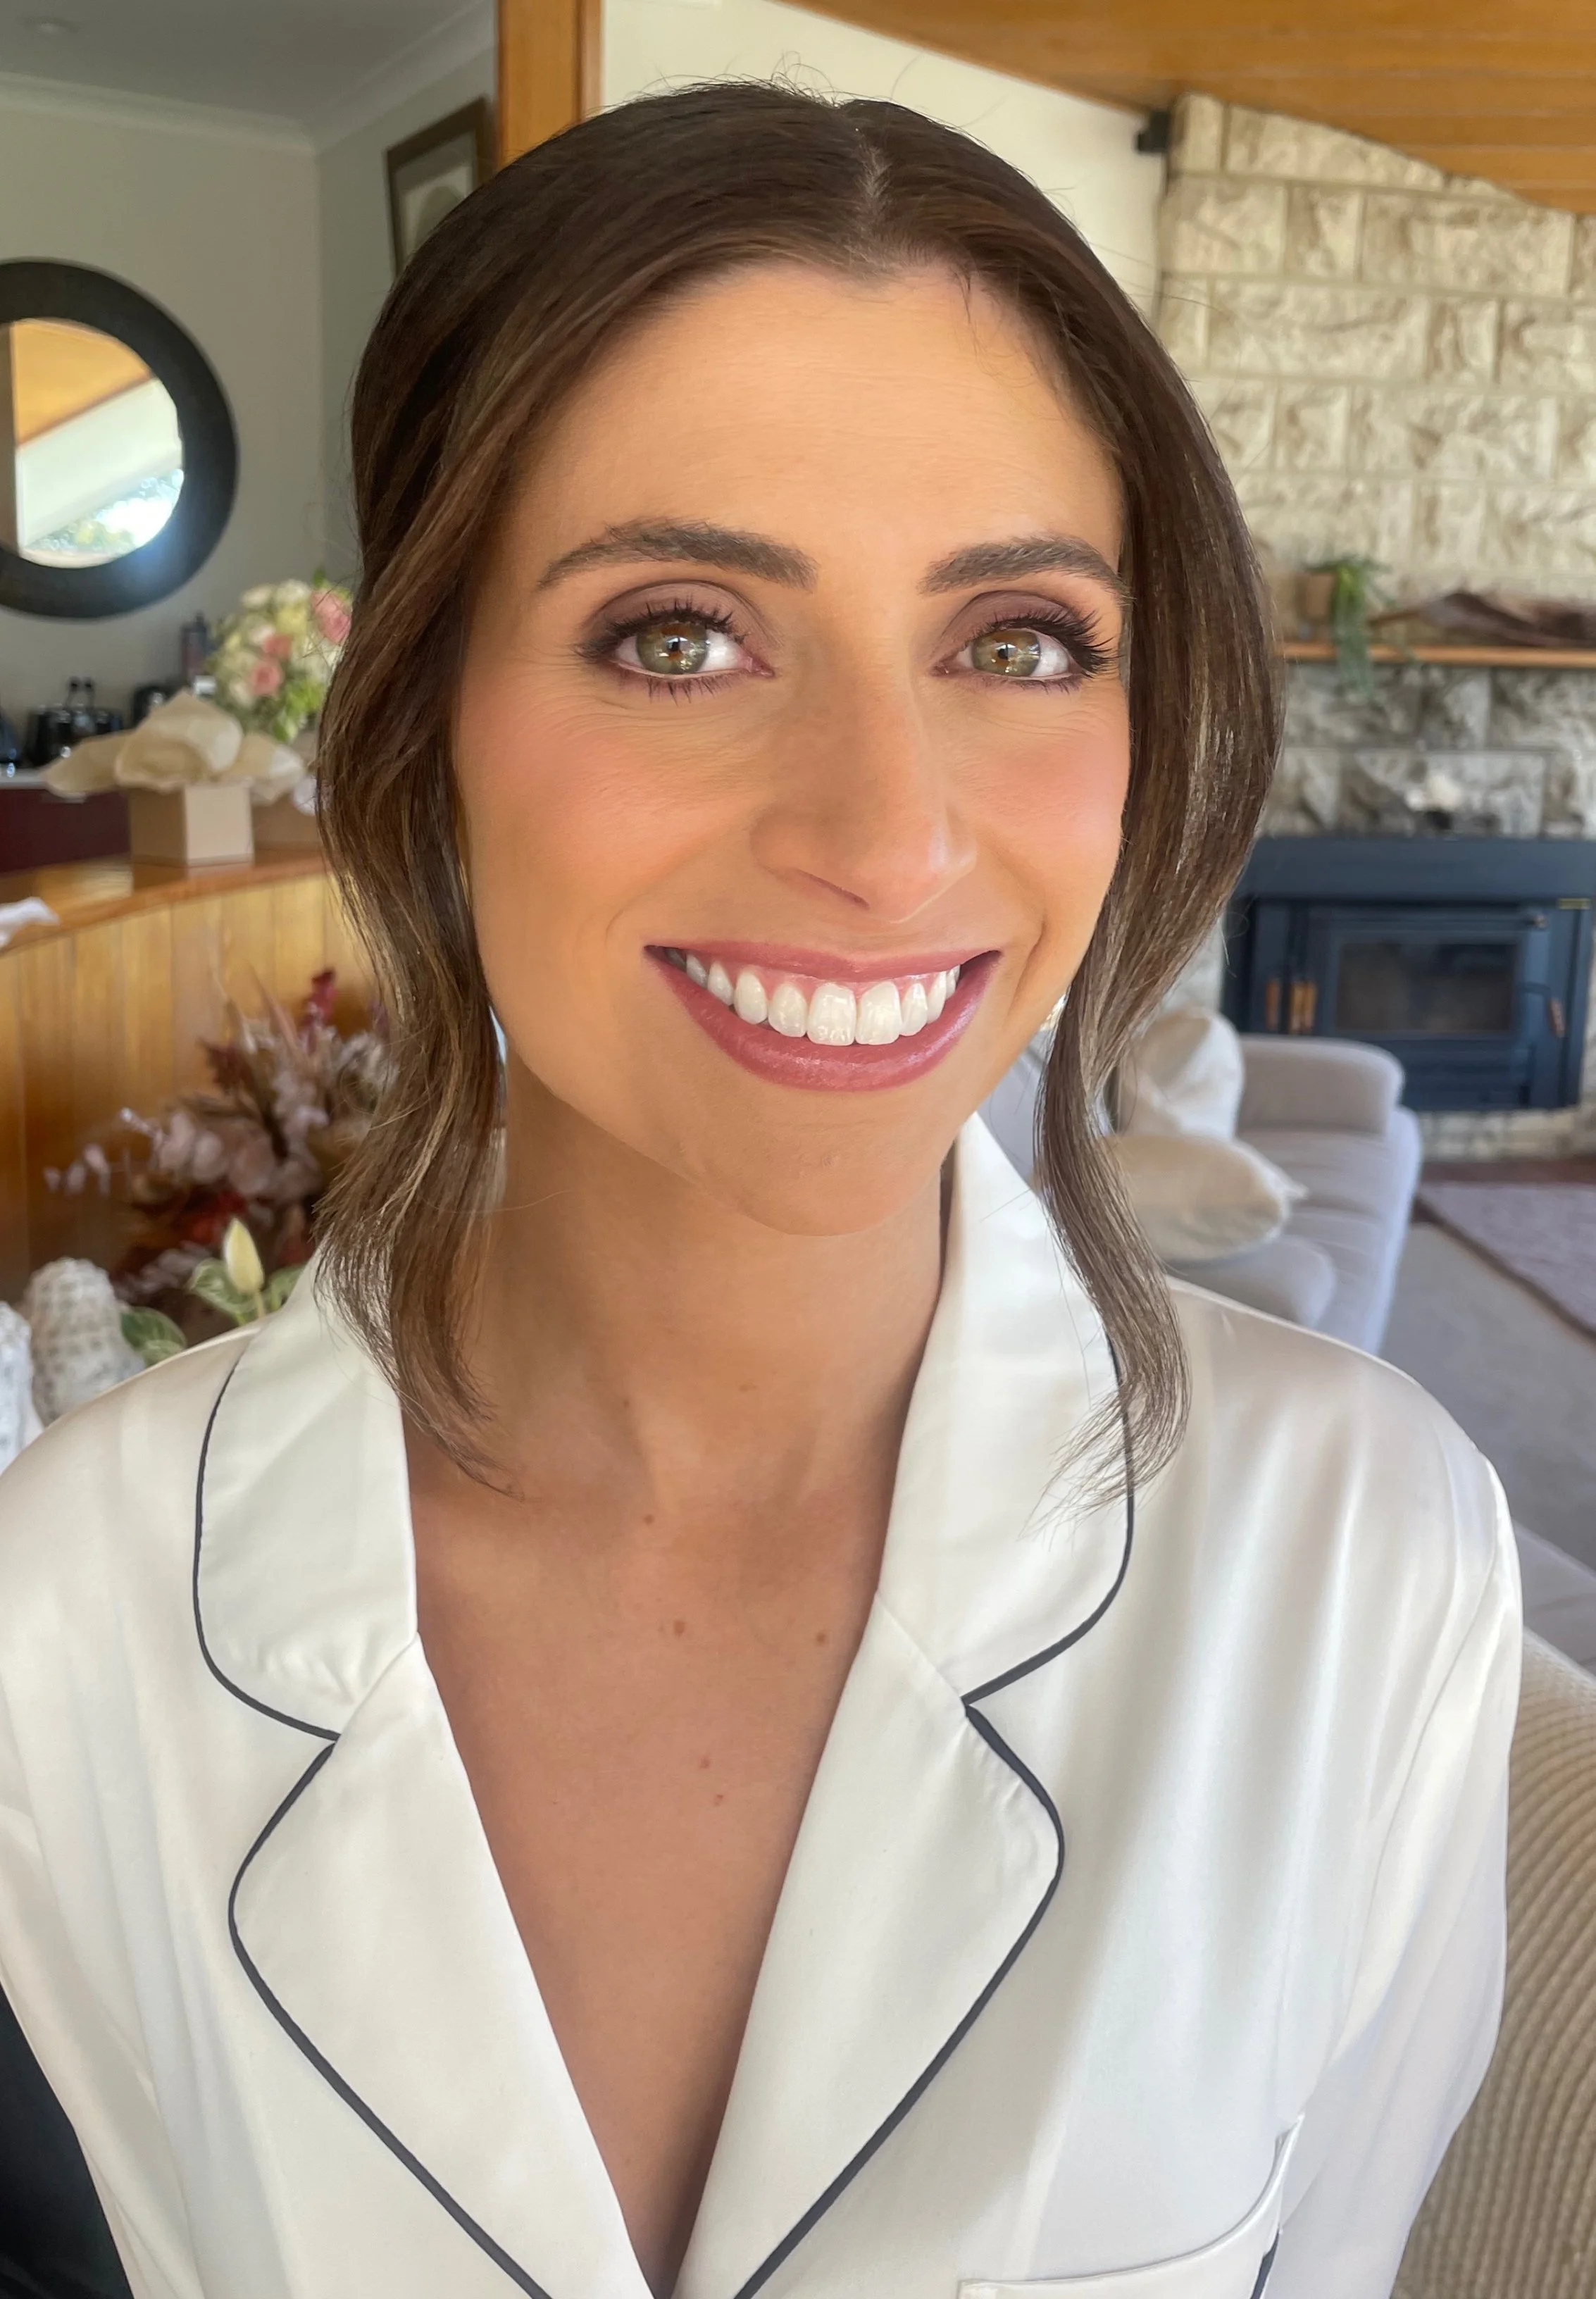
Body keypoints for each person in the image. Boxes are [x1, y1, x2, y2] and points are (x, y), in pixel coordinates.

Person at [0, 82, 1519, 2299]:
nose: (886, 836)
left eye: (1015, 640)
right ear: (422, 725)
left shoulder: (1361, 1553)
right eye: (680, 635)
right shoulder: (70, 1613)